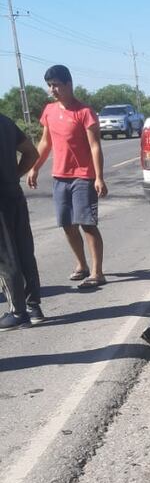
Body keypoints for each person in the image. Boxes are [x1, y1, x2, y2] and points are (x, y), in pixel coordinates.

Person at [27, 64, 108, 289]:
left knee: (87, 224)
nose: (52, 90)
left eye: (56, 85)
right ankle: (81, 265)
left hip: (83, 177)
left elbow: (95, 146)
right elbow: (45, 142)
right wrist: (34, 167)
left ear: (68, 84)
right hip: (59, 177)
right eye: (49, 86)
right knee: (66, 224)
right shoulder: (49, 111)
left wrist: (99, 177)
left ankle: (97, 272)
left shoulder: (84, 112)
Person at [0, 113, 44, 330]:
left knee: (6, 258)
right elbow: (31, 153)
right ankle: (33, 307)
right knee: (24, 251)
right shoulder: (5, 121)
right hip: (13, 194)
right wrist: (13, 175)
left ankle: (18, 312)